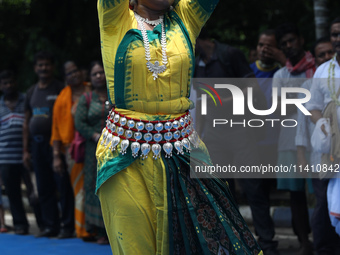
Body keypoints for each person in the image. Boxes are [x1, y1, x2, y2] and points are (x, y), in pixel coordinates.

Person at [96, 0, 263, 254]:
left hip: (184, 152)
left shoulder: (185, 17)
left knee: (210, 240)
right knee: (136, 244)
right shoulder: (114, 17)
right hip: (125, 158)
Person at [272, 23, 315, 255]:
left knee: (322, 193)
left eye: (292, 40)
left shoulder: (318, 68)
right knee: (296, 195)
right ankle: (304, 243)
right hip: (289, 141)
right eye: (284, 43)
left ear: (301, 39)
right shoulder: (281, 74)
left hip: (318, 140)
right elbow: (278, 109)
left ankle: (326, 237)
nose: (289, 46)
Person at [23, 51, 72, 238]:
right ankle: (50, 226)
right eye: (40, 65)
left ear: (52, 67)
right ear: (35, 68)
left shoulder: (60, 89)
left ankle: (67, 226)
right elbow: (26, 122)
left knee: (62, 185)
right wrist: (25, 150)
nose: (43, 68)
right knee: (43, 186)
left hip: (56, 145)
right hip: (36, 145)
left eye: (47, 64)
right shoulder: (31, 91)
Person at [247, 29, 286, 255]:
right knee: (257, 193)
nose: (265, 49)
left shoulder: (284, 73)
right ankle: (267, 243)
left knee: (286, 194)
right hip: (255, 145)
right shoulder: (248, 74)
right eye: (262, 44)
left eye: (270, 45)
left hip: (281, 144)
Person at [306, 17, 340, 252]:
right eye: (335, 34)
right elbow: (313, 107)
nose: (338, 39)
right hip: (331, 150)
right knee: (325, 205)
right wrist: (324, 126)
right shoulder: (323, 70)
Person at [51, 60, 91, 239]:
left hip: (94, 146)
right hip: (72, 151)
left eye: (75, 70)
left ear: (81, 72)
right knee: (79, 190)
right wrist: (56, 156)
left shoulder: (92, 90)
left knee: (95, 187)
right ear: (65, 77)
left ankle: (97, 228)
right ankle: (82, 229)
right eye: (69, 73)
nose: (73, 74)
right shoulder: (61, 98)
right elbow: (56, 130)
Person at [74, 61, 109, 244]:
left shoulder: (116, 96)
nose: (98, 76)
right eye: (94, 74)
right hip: (92, 151)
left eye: (101, 73)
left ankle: (114, 228)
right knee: (94, 187)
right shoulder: (86, 98)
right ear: (90, 78)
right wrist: (95, 135)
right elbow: (79, 123)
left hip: (114, 149)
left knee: (112, 185)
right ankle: (99, 230)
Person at [0, 70, 29, 235]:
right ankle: (20, 225)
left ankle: (45, 223)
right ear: (1, 86)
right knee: (12, 192)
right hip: (5, 156)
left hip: (26, 154)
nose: (9, 85)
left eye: (11, 82)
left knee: (34, 190)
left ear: (15, 82)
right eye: (5, 83)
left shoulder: (26, 99)